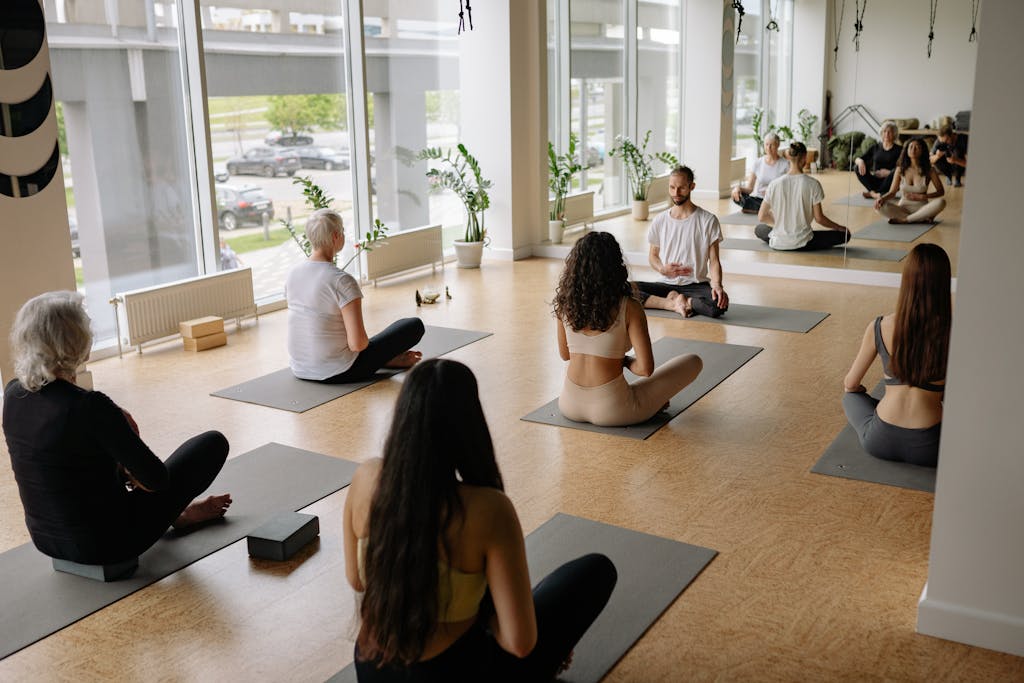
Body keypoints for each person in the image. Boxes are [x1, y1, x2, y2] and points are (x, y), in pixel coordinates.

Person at [344, 359, 617, 681]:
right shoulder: (487, 509)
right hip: (457, 675)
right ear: (469, 424)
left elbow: (358, 580)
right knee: (595, 570)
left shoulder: (365, 477)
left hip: (371, 667)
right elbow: (518, 643)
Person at [2, 291, 232, 566]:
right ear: (78, 343)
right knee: (211, 444)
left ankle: (178, 516)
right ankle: (177, 516)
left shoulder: (13, 393)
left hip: (46, 540)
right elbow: (156, 480)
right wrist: (124, 438)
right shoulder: (90, 406)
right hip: (108, 545)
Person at [554, 231, 704, 427]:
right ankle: (651, 404)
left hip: (568, 405)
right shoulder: (629, 307)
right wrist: (621, 360)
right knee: (693, 361)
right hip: (614, 411)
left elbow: (566, 355)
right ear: (615, 267)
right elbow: (645, 369)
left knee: (635, 389)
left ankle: (646, 401)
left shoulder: (565, 304)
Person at [842, 244, 951, 467]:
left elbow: (851, 384)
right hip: (931, 449)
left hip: (880, 440)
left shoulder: (880, 326)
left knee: (850, 398)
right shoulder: (955, 332)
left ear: (907, 281)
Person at [285, 208, 424, 383]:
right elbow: (358, 345)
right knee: (413, 325)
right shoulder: (341, 281)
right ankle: (387, 360)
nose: (344, 235)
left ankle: (387, 359)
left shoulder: (293, 273)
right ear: (336, 236)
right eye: (342, 231)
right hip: (341, 371)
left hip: (300, 368)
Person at [635, 165, 730, 319]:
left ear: (692, 187)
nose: (676, 193)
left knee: (718, 305)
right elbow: (653, 256)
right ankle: (673, 302)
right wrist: (662, 269)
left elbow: (714, 261)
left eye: (681, 188)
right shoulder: (660, 220)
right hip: (665, 284)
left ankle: (685, 301)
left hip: (696, 286)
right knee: (625, 289)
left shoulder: (708, 220)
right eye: (672, 188)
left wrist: (717, 285)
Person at [755, 141, 850, 251]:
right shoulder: (813, 184)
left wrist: (782, 223)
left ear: (789, 158)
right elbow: (819, 219)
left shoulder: (774, 184)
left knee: (759, 229)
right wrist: (838, 227)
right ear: (804, 158)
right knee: (845, 235)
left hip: (779, 241)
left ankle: (783, 239)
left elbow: (761, 216)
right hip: (804, 242)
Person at [874, 137, 946, 224]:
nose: (913, 149)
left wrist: (924, 197)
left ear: (922, 151)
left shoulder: (929, 170)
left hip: (922, 208)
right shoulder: (900, 169)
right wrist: (882, 198)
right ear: (906, 150)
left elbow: (941, 191)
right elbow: (892, 192)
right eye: (910, 147)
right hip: (903, 209)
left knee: (941, 202)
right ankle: (919, 218)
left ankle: (906, 220)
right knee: (880, 207)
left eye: (917, 147)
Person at [731, 132, 788, 213]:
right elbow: (749, 189)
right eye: (767, 144)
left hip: (777, 199)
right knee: (738, 196)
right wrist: (737, 188)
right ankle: (762, 209)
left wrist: (772, 192)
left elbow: (788, 188)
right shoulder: (758, 163)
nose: (769, 148)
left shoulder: (785, 164)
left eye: (772, 145)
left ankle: (756, 209)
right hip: (759, 199)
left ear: (778, 145)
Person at [854, 121, 902, 199]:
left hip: (889, 182)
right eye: (884, 131)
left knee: (897, 170)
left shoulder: (899, 150)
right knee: (856, 167)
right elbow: (858, 158)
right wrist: (860, 161)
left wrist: (889, 173)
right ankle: (876, 193)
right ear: (881, 133)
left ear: (894, 134)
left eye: (889, 132)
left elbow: (904, 167)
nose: (886, 134)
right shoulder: (875, 147)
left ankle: (873, 193)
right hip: (874, 180)